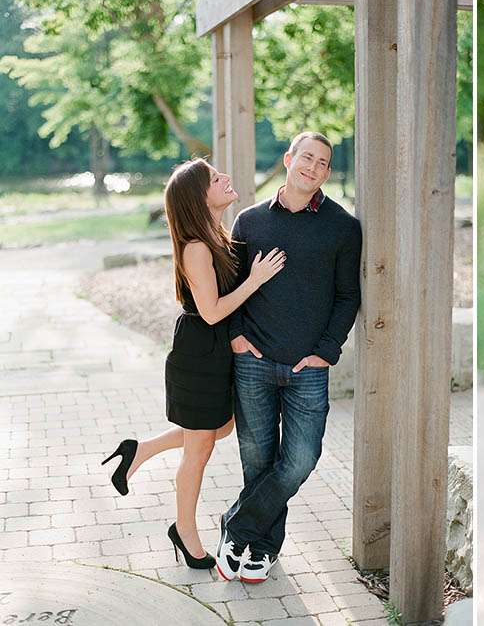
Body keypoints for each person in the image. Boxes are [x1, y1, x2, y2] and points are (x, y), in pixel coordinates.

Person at [101, 158, 285, 568]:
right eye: (215, 178)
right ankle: (185, 533)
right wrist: (256, 280)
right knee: (199, 448)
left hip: (212, 350)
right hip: (200, 353)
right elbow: (213, 311)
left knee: (219, 428)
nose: (226, 178)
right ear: (198, 197)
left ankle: (140, 450)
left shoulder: (214, 236)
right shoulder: (197, 247)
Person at [215, 131, 362, 583]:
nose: (313, 168)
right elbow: (229, 286)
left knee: (299, 460)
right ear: (288, 159)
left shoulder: (342, 226)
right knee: (257, 461)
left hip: (307, 370)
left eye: (323, 163)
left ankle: (235, 529)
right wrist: (237, 337)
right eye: (307, 158)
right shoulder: (250, 221)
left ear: (328, 172)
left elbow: (347, 296)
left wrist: (325, 353)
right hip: (253, 363)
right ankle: (261, 549)